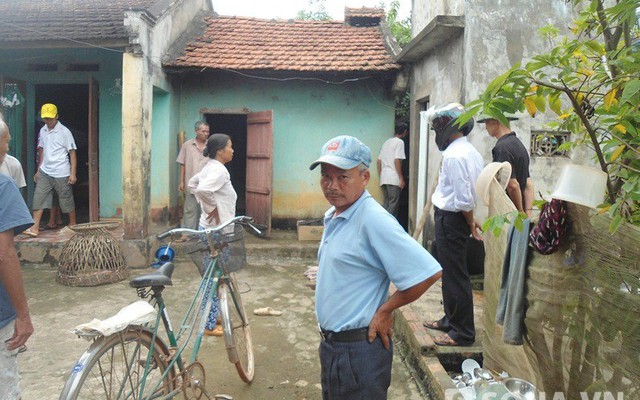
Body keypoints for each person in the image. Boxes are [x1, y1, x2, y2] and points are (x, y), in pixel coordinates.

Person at [309, 135, 442, 399]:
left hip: (358, 352)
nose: (331, 185)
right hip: (333, 347)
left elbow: (428, 272)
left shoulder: (373, 219)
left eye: (343, 177)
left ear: (365, 177)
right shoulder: (336, 214)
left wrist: (386, 309)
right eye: (326, 176)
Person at [422, 103, 484, 347]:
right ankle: (450, 319)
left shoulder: (453, 156)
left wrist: (470, 224)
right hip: (454, 217)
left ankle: (462, 332)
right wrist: (470, 219)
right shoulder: (470, 151)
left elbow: (464, 198)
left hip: (451, 218)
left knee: (456, 275)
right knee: (449, 272)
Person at [0, 120, 35, 399]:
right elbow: (4, 253)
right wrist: (23, 314)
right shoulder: (3, 186)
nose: (8, 146)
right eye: (7, 141)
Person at [188, 133, 236, 337]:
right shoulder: (218, 171)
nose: (232, 150)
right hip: (217, 231)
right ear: (220, 151)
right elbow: (202, 190)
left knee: (214, 275)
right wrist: (212, 208)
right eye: (230, 147)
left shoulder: (210, 167)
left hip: (208, 228)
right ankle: (208, 325)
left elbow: (192, 184)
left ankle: (213, 313)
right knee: (214, 277)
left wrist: (208, 209)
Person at [23, 103, 77, 237]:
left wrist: (73, 173)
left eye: (50, 118)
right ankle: (34, 228)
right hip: (45, 171)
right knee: (39, 198)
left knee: (66, 199)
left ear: (57, 116)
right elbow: (42, 151)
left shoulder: (65, 132)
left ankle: (73, 224)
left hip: (61, 172)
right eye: (45, 118)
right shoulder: (43, 131)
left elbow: (72, 153)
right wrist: (38, 169)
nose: (47, 121)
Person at [478, 114, 534, 218]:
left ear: (496, 121)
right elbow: (528, 183)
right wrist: (528, 213)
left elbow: (512, 185)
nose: (485, 127)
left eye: (487, 122)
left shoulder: (501, 148)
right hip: (521, 212)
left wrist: (519, 213)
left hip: (509, 214)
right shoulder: (519, 144)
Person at [176, 121, 210, 230]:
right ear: (196, 131)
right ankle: (187, 234)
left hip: (208, 184)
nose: (206, 133)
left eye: (207, 131)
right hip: (191, 184)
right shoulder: (187, 145)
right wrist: (181, 181)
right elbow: (183, 163)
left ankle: (203, 234)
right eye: (203, 131)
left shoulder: (211, 145)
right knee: (190, 210)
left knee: (206, 210)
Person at [377, 122, 408, 217]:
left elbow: (379, 161)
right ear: (405, 132)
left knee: (386, 203)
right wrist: (401, 178)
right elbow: (397, 160)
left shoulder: (386, 142)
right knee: (393, 204)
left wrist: (381, 175)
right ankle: (387, 226)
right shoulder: (400, 142)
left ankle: (380, 225)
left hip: (384, 178)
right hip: (393, 179)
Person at [0, 122, 26, 190]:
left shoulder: (14, 165)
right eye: (6, 142)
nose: (7, 148)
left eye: (8, 142)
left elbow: (14, 197)